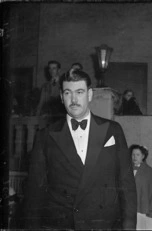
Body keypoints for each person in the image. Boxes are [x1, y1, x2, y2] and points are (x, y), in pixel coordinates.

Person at [21, 69, 137, 229]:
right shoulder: (45, 136)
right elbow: (34, 195)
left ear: (89, 95)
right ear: (61, 97)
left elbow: (127, 185)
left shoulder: (113, 130)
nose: (74, 99)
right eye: (68, 93)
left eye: (79, 92)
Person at [130, 144, 152, 230]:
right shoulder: (127, 169)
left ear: (143, 156)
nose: (135, 157)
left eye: (137, 155)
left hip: (144, 209)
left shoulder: (149, 171)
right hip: (130, 208)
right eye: (133, 154)